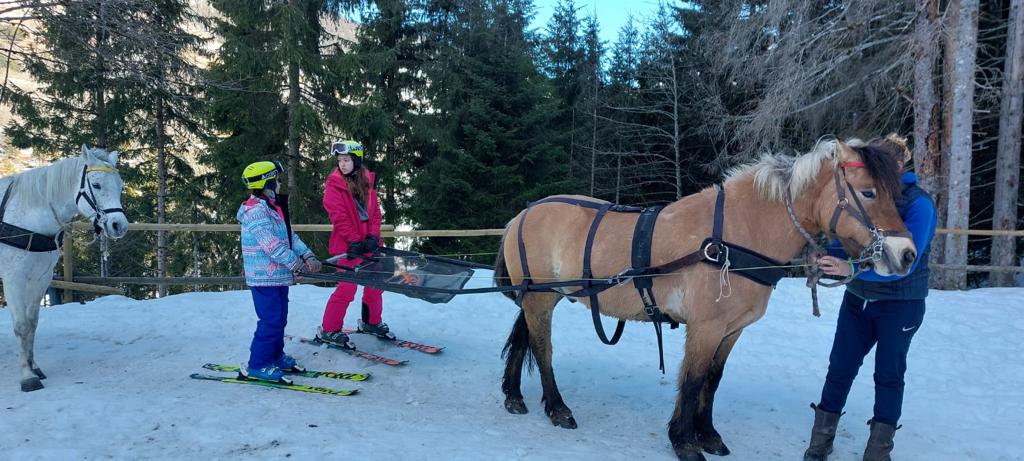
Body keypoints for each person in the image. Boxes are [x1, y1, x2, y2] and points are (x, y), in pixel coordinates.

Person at [803, 135, 937, 461]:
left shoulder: (918, 204)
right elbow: (853, 242)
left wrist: (848, 268)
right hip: (858, 301)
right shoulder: (871, 198)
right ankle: (820, 443)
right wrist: (825, 255)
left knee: (888, 376)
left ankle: (878, 453)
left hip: (900, 307)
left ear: (899, 166)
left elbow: (904, 266)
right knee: (840, 368)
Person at [237, 160, 322, 383]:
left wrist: (308, 255)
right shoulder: (255, 212)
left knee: (280, 319)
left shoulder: (272, 208)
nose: (279, 183)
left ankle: (274, 356)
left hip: (277, 276)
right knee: (270, 321)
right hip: (263, 277)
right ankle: (258, 364)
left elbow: (288, 236)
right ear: (267, 182)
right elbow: (271, 245)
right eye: (277, 179)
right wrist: (296, 264)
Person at [316, 140, 393, 348]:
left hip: (368, 244)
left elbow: (375, 213)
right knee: (347, 288)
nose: (342, 164)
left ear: (356, 161)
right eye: (340, 160)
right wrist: (354, 240)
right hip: (347, 246)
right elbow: (339, 216)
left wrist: (373, 237)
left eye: (347, 160)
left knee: (375, 285)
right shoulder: (334, 185)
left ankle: (371, 322)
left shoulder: (367, 181)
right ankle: (329, 329)